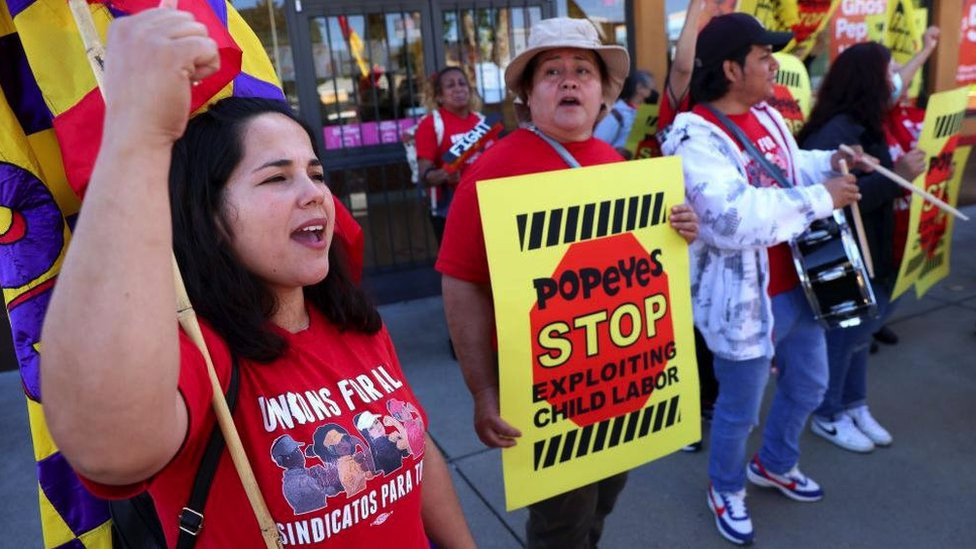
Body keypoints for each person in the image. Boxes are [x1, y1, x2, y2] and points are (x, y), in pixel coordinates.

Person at [39, 5, 476, 548]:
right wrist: (136, 134)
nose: (315, 192)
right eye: (276, 178)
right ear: (210, 217)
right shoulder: (198, 353)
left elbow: (416, 445)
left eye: (315, 172)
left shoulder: (355, 323)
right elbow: (107, 449)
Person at [437, 17, 699, 548]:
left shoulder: (619, 165)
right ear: (528, 97)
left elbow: (647, 269)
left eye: (583, 70)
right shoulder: (489, 174)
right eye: (551, 71)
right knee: (561, 525)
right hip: (547, 396)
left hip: (624, 385)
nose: (569, 80)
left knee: (604, 500)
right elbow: (461, 285)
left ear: (604, 95)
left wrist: (679, 232)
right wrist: (484, 389)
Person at [660, 13, 867, 546]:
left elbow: (790, 164)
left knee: (810, 384)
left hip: (798, 287)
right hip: (740, 302)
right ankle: (725, 487)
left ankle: (775, 463)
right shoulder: (691, 137)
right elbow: (732, 218)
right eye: (763, 56)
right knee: (739, 409)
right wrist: (823, 198)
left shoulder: (768, 115)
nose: (774, 64)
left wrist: (832, 163)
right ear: (731, 68)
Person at [798, 42, 930, 453]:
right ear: (869, 80)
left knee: (860, 334)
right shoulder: (837, 131)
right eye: (889, 72)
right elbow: (830, 198)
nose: (897, 80)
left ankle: (853, 403)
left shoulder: (874, 121)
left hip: (875, 243)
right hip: (845, 254)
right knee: (844, 337)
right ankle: (828, 412)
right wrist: (897, 176)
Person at [415, 66, 489, 243]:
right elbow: (425, 175)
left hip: (485, 205)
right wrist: (443, 175)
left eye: (462, 83)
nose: (458, 88)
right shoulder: (432, 124)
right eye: (450, 85)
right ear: (439, 96)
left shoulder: (482, 122)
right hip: (449, 210)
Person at [593, 69, 657, 157]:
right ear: (639, 88)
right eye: (651, 89)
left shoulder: (646, 114)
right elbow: (598, 144)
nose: (654, 92)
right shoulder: (617, 114)